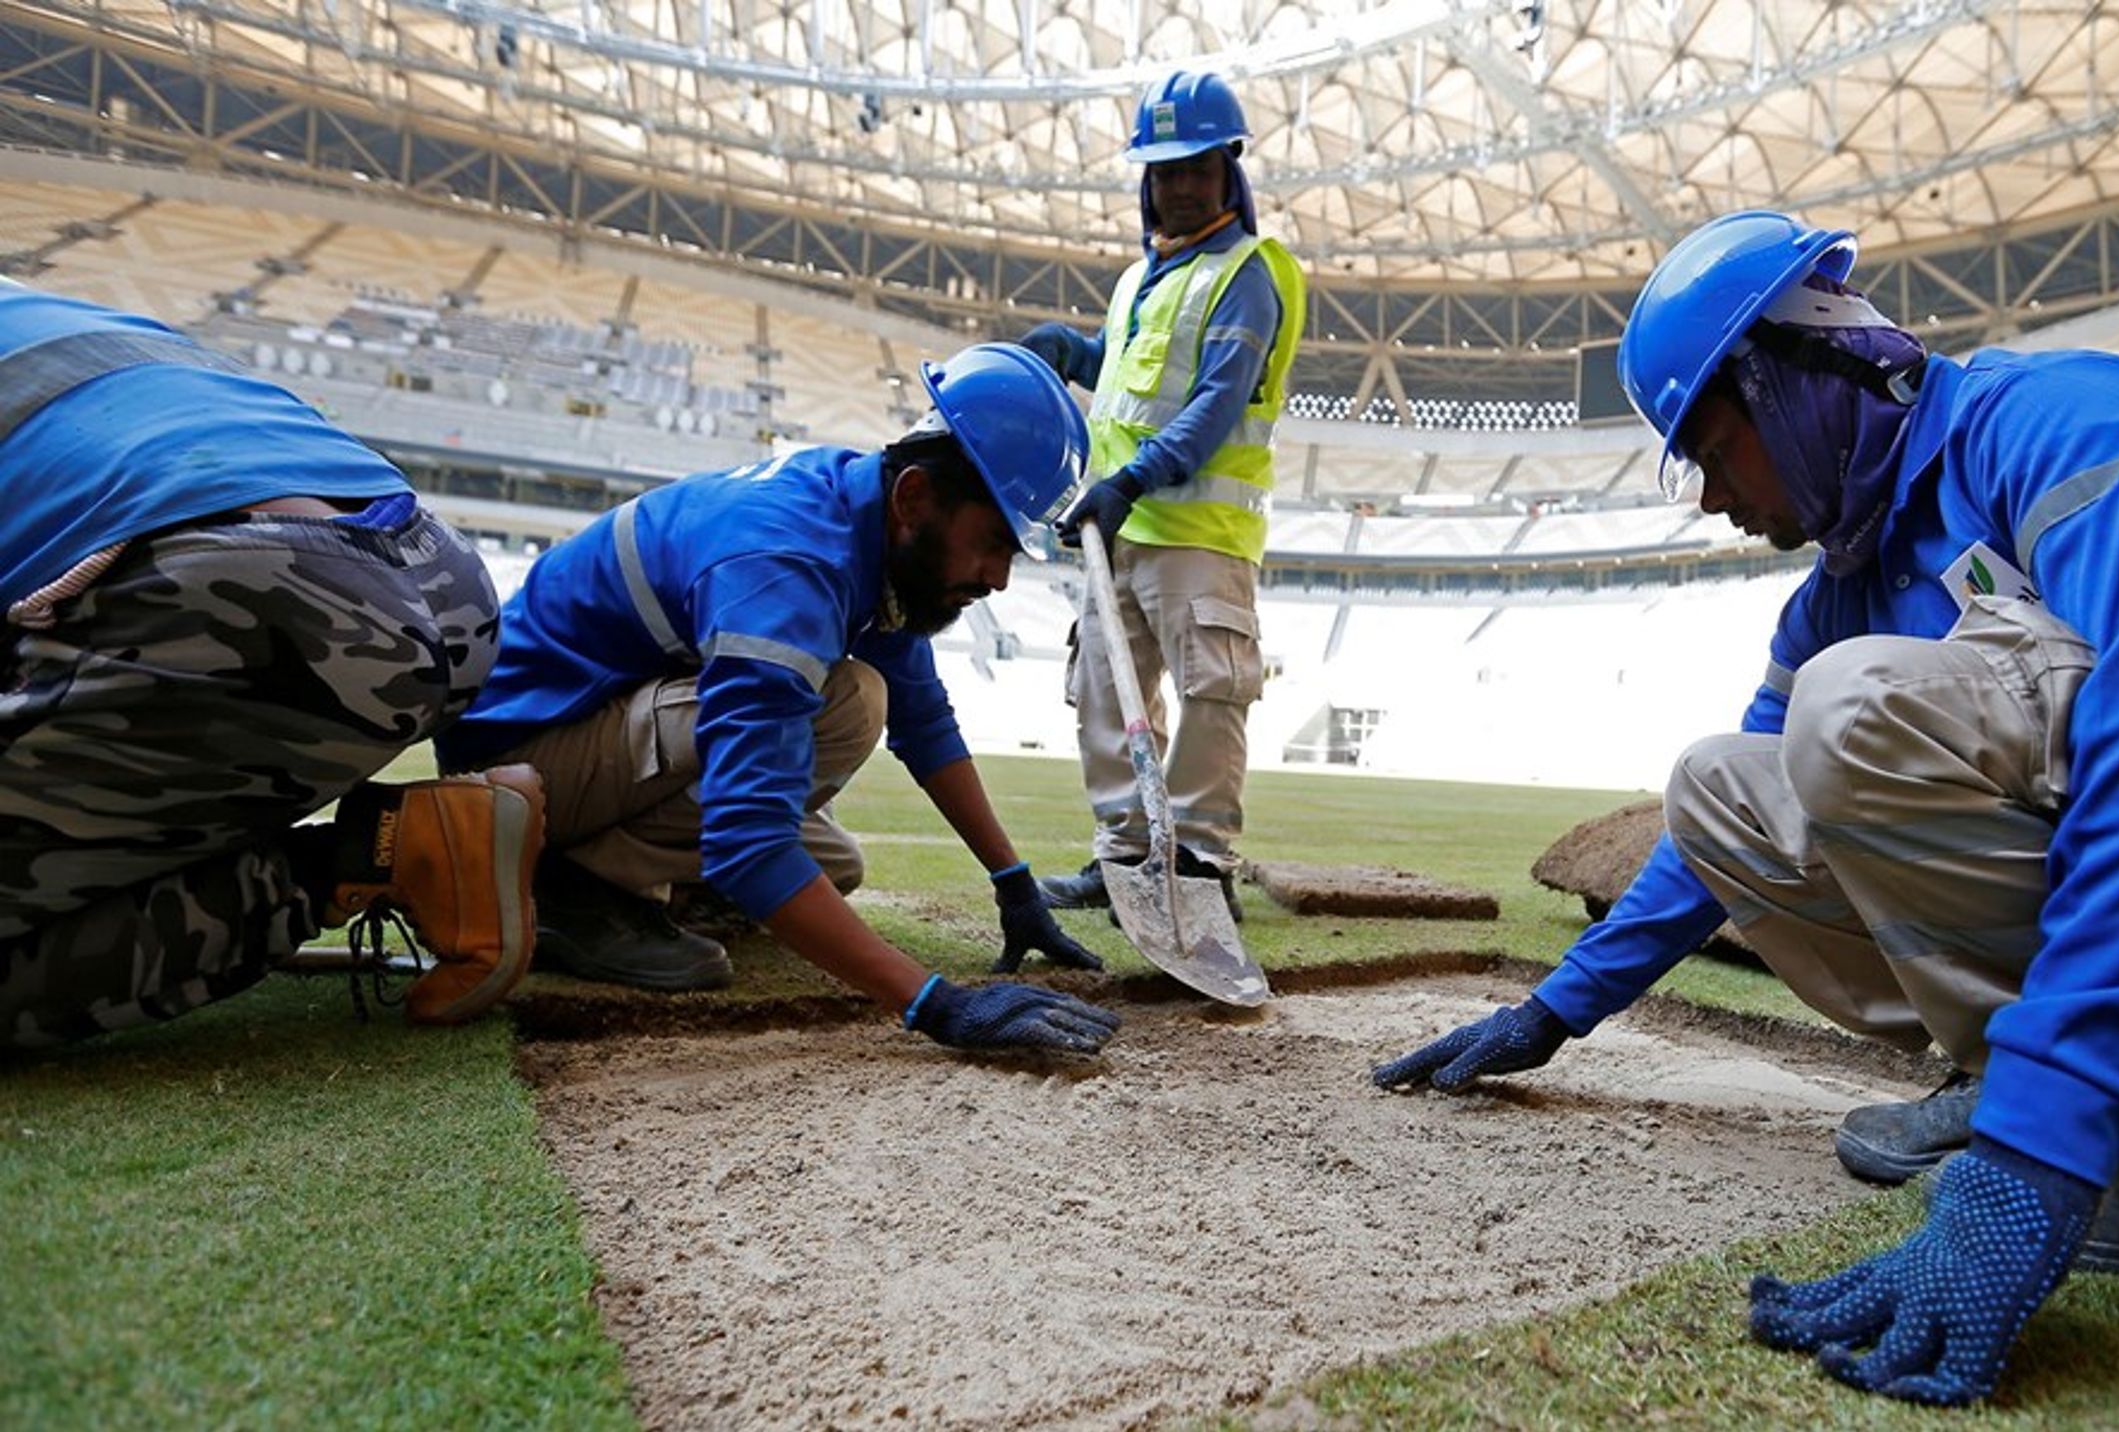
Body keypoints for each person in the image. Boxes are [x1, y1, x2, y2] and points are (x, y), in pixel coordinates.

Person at [1373, 211, 2119, 1405]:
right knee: (1722, 784)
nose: (1710, 499)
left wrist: (2035, 1152)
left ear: (1788, 381)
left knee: (1858, 707)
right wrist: (1558, 1007)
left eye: (1710, 449)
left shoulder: (2068, 423)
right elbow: (1716, 843)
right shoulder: (1845, 586)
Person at [434, 343, 1119, 1058]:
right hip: (510, 771)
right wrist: (938, 1004)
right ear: (914, 497)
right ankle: (566, 884)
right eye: (992, 544)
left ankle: (615, 874)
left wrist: (1013, 883)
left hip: (580, 732)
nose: (1000, 580)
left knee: (832, 864)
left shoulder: (868, 525)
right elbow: (746, 840)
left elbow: (925, 722)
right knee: (848, 705)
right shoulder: (786, 564)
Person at [0, 280, 544, 1047]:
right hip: (438, 574)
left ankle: (351, 863)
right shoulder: (46, 307)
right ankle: (399, 840)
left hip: (242, 603)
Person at [1019, 69, 1308, 920]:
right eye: (1163, 170)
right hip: (1119, 526)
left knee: (1212, 693)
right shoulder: (1140, 276)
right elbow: (1124, 369)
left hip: (1199, 534)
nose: (1178, 186)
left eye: (1195, 167)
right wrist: (1070, 352)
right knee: (1105, 691)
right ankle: (1124, 856)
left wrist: (1129, 481)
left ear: (1229, 170)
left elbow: (1215, 409)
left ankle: (1199, 862)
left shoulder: (1249, 274)